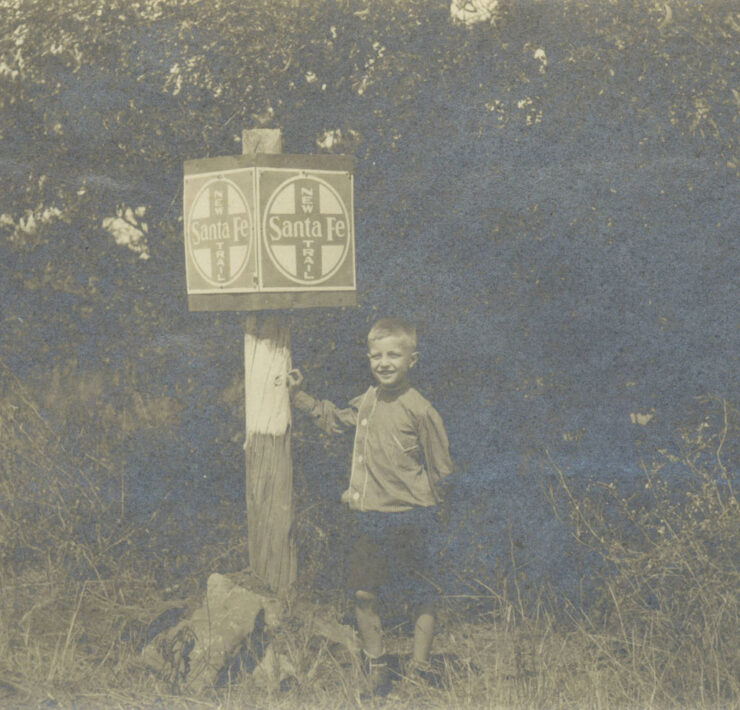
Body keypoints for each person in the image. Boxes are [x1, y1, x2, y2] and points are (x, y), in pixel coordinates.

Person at [289, 317, 454, 694]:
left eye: (394, 355)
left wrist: (439, 516)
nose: (384, 363)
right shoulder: (366, 402)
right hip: (370, 519)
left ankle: (419, 671)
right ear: (368, 359)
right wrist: (299, 397)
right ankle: (377, 667)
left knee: (422, 593)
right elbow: (335, 421)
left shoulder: (421, 410)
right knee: (364, 593)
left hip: (414, 518)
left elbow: (442, 470)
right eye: (376, 355)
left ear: (413, 360)